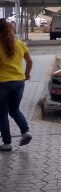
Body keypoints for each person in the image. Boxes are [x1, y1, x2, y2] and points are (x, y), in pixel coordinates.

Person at [0, 18, 33, 151]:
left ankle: (7, 143)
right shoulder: (19, 43)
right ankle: (26, 132)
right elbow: (30, 61)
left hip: (2, 84)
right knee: (14, 110)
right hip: (19, 82)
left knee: (2, 113)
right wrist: (27, 74)